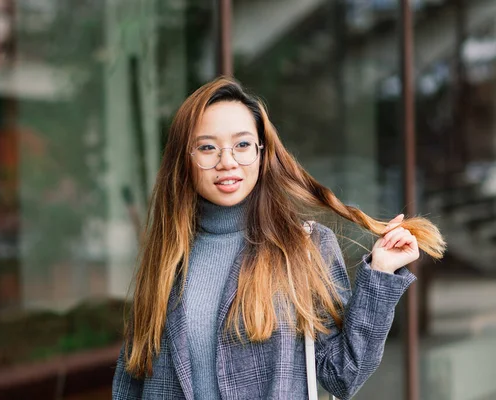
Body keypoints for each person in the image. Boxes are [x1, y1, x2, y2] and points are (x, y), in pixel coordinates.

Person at [112, 77, 445, 400]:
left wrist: (382, 272)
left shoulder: (304, 249)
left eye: (242, 145)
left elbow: (341, 374)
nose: (227, 162)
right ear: (186, 159)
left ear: (261, 151)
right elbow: (133, 379)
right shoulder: (167, 257)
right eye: (207, 147)